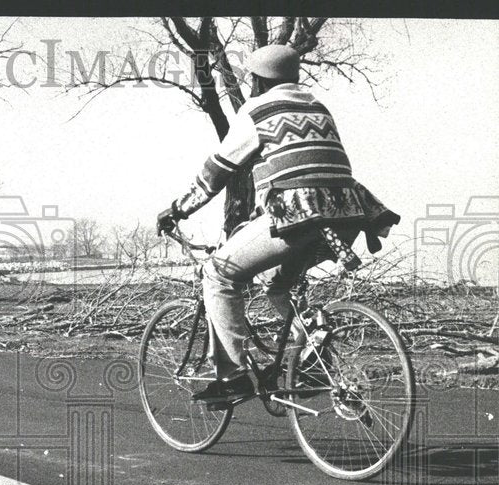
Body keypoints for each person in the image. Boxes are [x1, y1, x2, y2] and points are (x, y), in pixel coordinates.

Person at [155, 44, 400, 405]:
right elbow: (298, 167)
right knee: (276, 286)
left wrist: (178, 209)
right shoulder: (318, 107)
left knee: (218, 274)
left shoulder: (257, 109)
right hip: (348, 216)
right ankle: (313, 354)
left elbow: (218, 169)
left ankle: (232, 376)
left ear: (257, 80)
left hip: (298, 216)